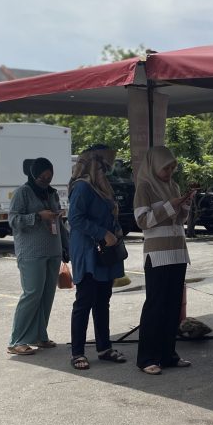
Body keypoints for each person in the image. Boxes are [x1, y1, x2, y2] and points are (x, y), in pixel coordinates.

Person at [134, 146, 195, 375]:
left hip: (178, 251)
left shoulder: (174, 186)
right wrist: (172, 205)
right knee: (156, 305)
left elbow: (179, 219)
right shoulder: (145, 186)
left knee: (172, 306)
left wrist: (185, 204)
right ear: (153, 166)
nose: (169, 172)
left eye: (172, 167)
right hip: (157, 254)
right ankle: (147, 358)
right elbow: (142, 221)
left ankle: (168, 354)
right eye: (165, 168)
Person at [67, 144, 127, 370]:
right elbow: (75, 219)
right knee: (84, 302)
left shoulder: (102, 187)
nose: (109, 169)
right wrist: (103, 233)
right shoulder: (83, 188)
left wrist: (115, 231)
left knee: (103, 302)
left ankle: (104, 348)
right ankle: (77, 352)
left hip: (105, 254)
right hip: (89, 253)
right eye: (106, 165)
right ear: (95, 164)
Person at [6, 157, 66, 356]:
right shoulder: (22, 192)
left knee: (46, 295)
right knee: (32, 295)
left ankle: (40, 336)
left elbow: (59, 224)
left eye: (49, 178)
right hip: (31, 252)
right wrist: (38, 216)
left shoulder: (52, 193)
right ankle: (17, 340)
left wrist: (66, 247)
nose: (46, 181)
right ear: (33, 175)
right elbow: (13, 220)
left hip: (52, 250)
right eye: (42, 178)